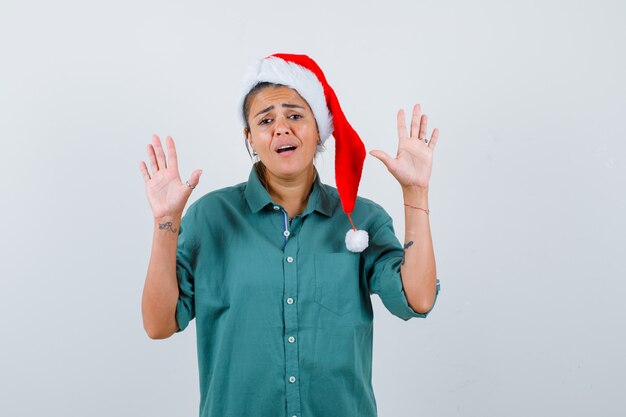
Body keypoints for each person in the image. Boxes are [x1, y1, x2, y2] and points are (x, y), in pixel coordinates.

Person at [139, 53, 440, 417]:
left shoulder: (361, 219)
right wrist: (166, 221)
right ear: (250, 138)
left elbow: (418, 298)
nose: (281, 128)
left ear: (319, 130)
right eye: (266, 120)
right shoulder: (211, 218)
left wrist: (416, 193)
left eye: (295, 115)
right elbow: (158, 324)